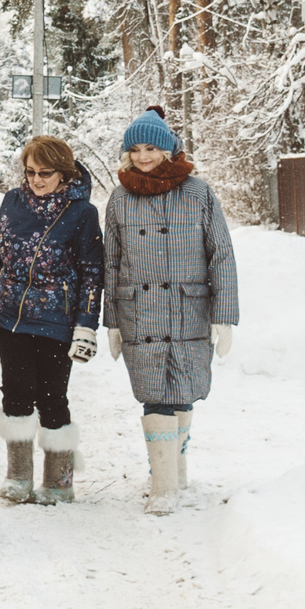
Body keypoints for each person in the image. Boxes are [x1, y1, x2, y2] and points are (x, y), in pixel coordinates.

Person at [101, 107, 239, 515]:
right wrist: (112, 321)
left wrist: (224, 315)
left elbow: (221, 254)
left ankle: (176, 471)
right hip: (139, 311)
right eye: (135, 150)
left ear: (168, 150)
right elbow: (111, 262)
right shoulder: (120, 198)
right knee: (153, 394)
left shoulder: (197, 193)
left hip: (188, 308)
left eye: (151, 148)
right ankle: (162, 486)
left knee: (182, 389)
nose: (143, 157)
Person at [0, 134, 104, 506]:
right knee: (15, 393)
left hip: (56, 320)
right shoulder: (12, 202)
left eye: (45, 173)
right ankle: (18, 477)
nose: (36, 179)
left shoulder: (82, 213)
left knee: (52, 397)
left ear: (63, 173)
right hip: (10, 317)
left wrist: (86, 325)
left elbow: (92, 274)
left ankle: (59, 481)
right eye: (31, 171)